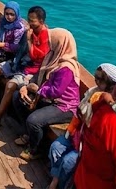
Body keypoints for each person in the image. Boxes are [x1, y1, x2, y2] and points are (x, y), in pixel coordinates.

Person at [10, 28, 81, 161]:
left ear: (59, 44)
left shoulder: (66, 68)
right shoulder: (53, 58)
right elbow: (40, 76)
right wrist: (26, 87)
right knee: (17, 98)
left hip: (64, 106)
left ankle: (35, 149)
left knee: (34, 120)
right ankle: (28, 134)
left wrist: (37, 91)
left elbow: (56, 91)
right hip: (48, 98)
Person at [47, 63, 116, 189]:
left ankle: (59, 185)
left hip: (91, 144)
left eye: (100, 79)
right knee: (56, 147)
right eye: (95, 77)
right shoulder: (92, 92)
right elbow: (80, 113)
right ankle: (56, 181)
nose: (96, 81)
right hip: (78, 134)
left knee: (68, 162)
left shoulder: (113, 104)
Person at [0, 5, 50, 131]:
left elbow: (37, 57)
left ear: (41, 21)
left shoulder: (44, 35)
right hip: (19, 63)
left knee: (10, 85)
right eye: (29, 19)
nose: (30, 23)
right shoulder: (30, 31)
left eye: (32, 21)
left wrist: (28, 40)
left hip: (30, 70)